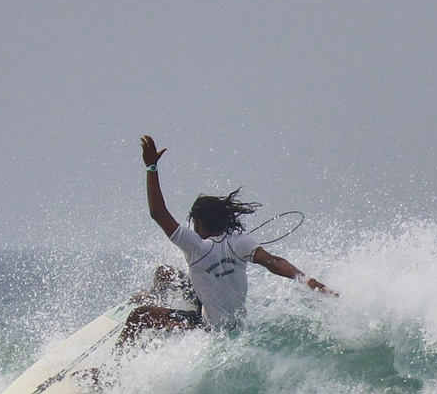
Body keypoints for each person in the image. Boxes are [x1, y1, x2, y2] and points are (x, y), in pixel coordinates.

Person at [123, 135, 332, 340]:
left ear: (200, 224)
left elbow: (158, 213)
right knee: (165, 273)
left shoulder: (195, 246)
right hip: (227, 316)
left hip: (206, 325)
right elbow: (274, 262)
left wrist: (151, 167)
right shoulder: (239, 242)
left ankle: (107, 372)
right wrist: (308, 280)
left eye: (194, 223)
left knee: (138, 316)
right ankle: (152, 294)